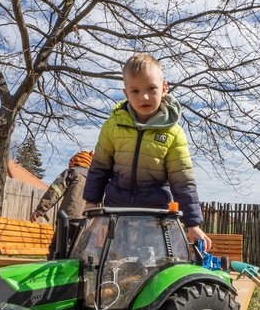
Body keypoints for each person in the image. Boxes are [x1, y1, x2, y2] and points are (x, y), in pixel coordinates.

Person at [83, 52, 211, 250]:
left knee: (152, 265)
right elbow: (99, 167)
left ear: (164, 89)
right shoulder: (113, 126)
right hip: (117, 209)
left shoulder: (173, 133)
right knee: (115, 260)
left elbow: (182, 181)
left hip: (155, 215)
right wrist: (91, 203)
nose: (144, 96)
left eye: (151, 88)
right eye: (135, 91)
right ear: (126, 93)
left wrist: (192, 224)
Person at [31, 150, 93, 257]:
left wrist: (39, 210)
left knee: (57, 250)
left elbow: (54, 192)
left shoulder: (72, 172)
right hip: (86, 223)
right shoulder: (94, 179)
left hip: (68, 219)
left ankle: (54, 273)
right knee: (78, 253)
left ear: (75, 161)